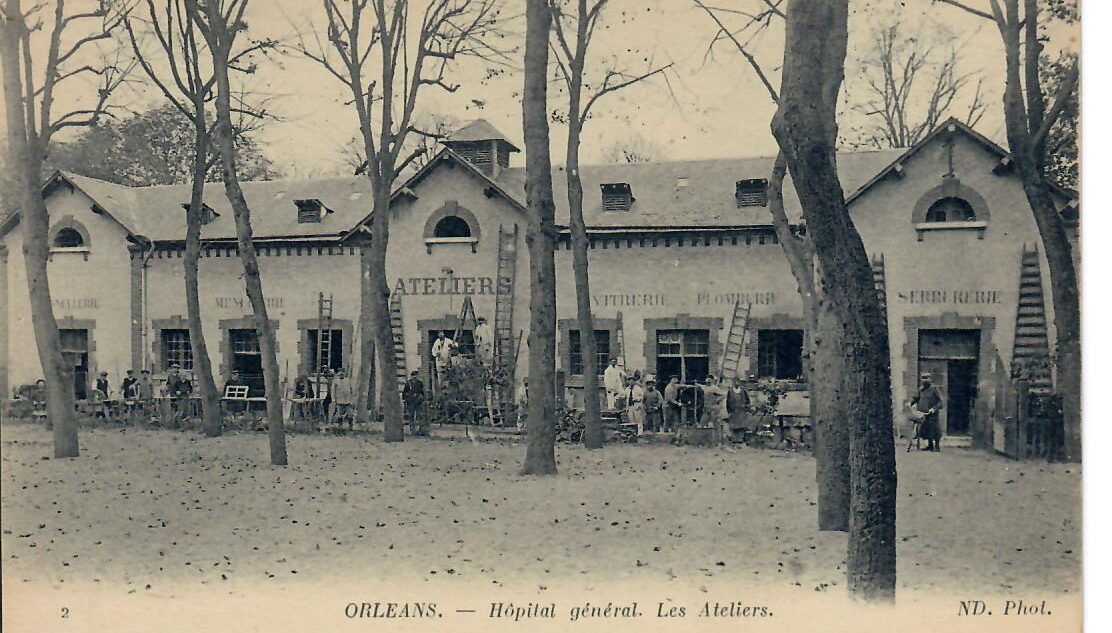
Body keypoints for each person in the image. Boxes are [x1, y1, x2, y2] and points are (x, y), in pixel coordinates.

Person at [912, 372, 944, 452]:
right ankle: (930, 446)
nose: (925, 380)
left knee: (935, 430)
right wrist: (911, 403)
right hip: (923, 414)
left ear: (930, 379)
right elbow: (916, 398)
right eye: (923, 378)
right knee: (926, 430)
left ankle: (937, 446)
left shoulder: (934, 389)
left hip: (932, 414)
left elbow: (940, 402)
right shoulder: (921, 389)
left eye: (927, 378)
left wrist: (934, 409)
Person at [402, 370, 427, 436]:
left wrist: (421, 397)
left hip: (418, 401)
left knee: (419, 415)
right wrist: (405, 399)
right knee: (411, 415)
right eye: (414, 376)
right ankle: (412, 429)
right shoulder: (408, 383)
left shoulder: (420, 383)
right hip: (410, 401)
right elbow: (404, 392)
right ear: (411, 376)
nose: (415, 377)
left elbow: (422, 392)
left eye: (416, 375)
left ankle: (419, 430)